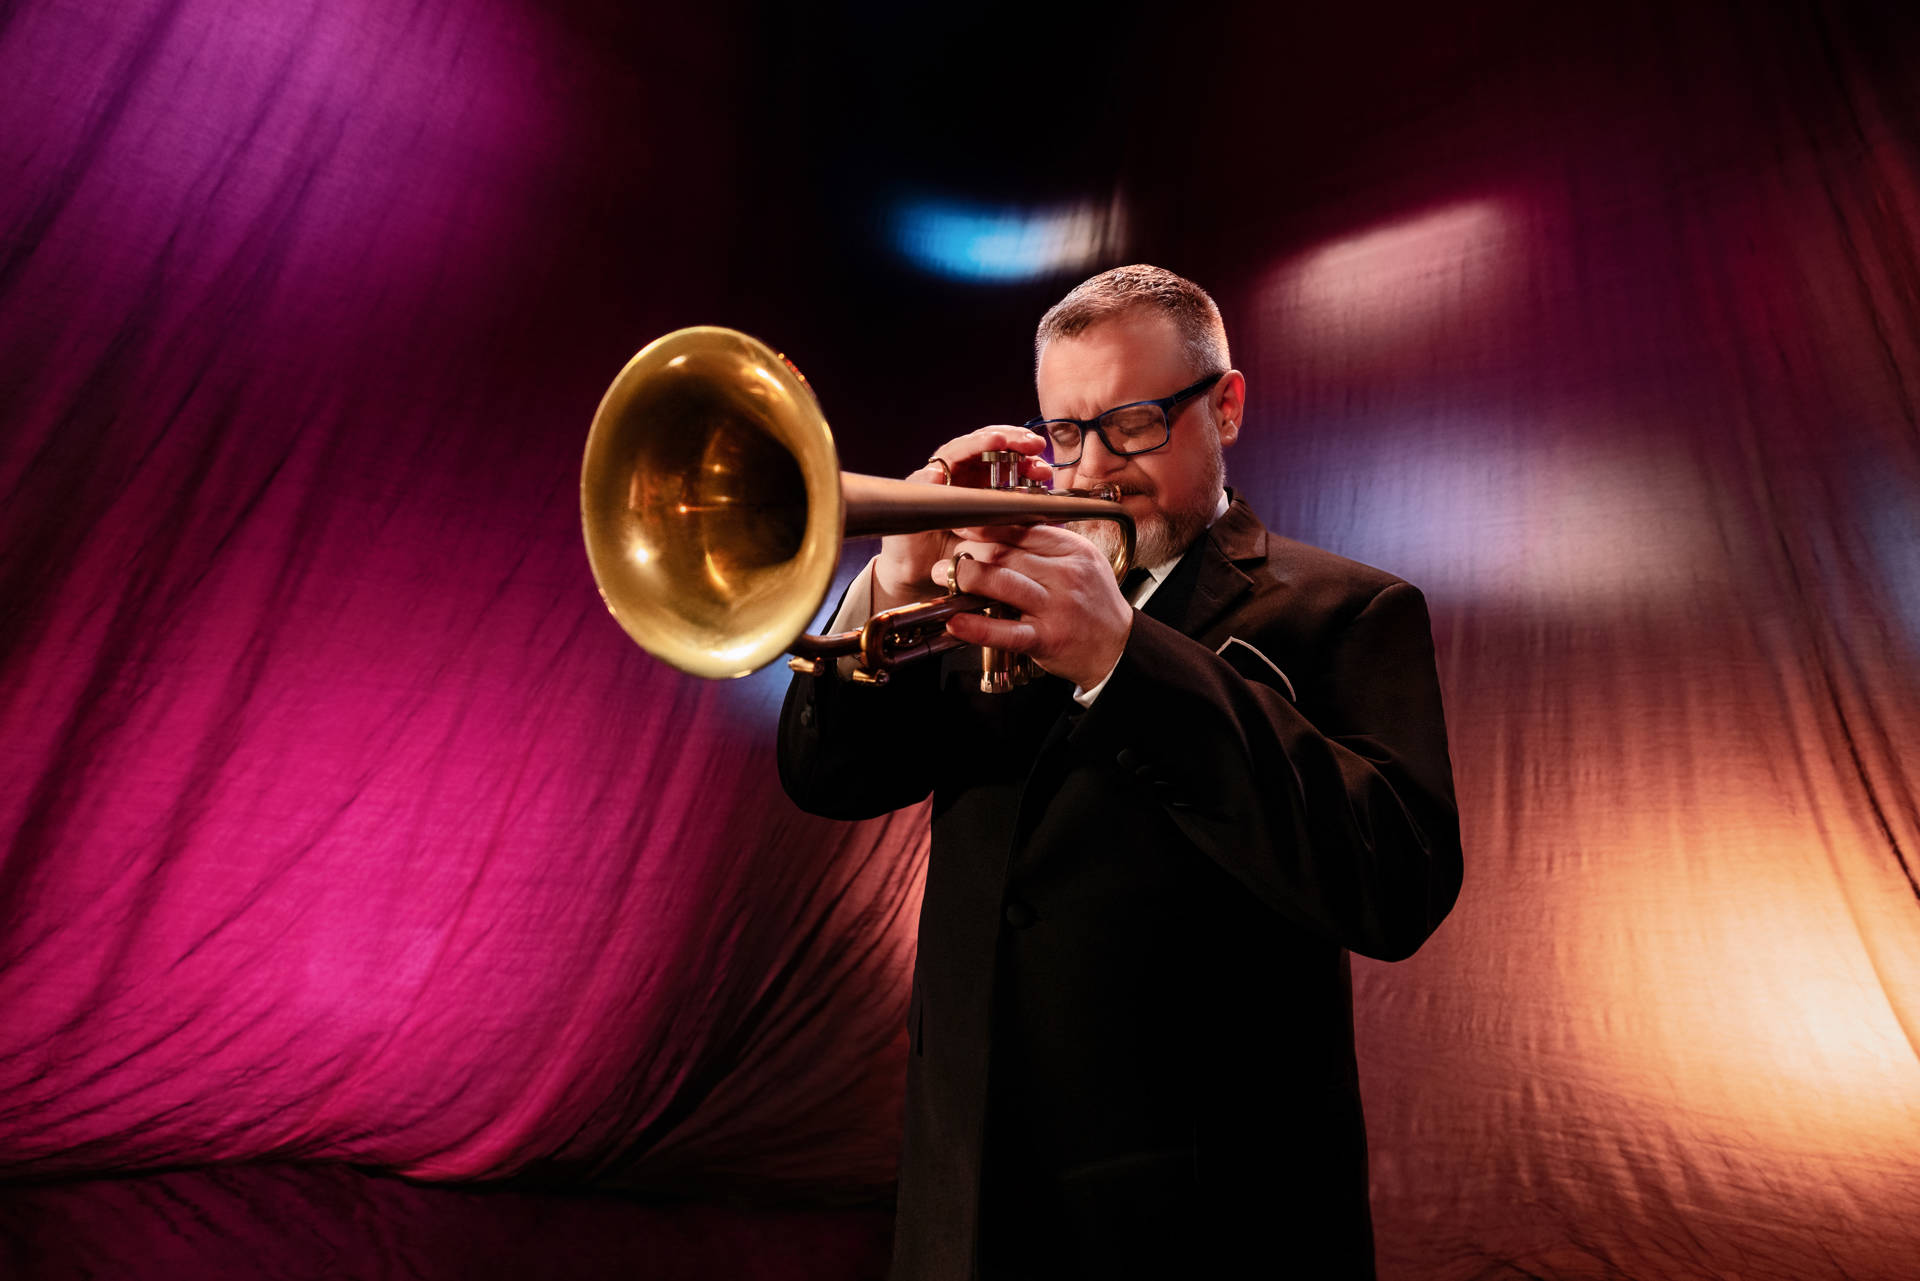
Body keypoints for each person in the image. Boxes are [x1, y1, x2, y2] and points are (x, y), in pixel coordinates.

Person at [778, 265, 1461, 1280]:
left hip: (1208, 1220)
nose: (1095, 466)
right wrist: (892, 575)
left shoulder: (1343, 613)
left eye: (1133, 423)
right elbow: (825, 778)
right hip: (968, 1198)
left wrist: (1121, 661)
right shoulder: (992, 594)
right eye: (1065, 432)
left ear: (1224, 405)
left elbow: (1394, 884)